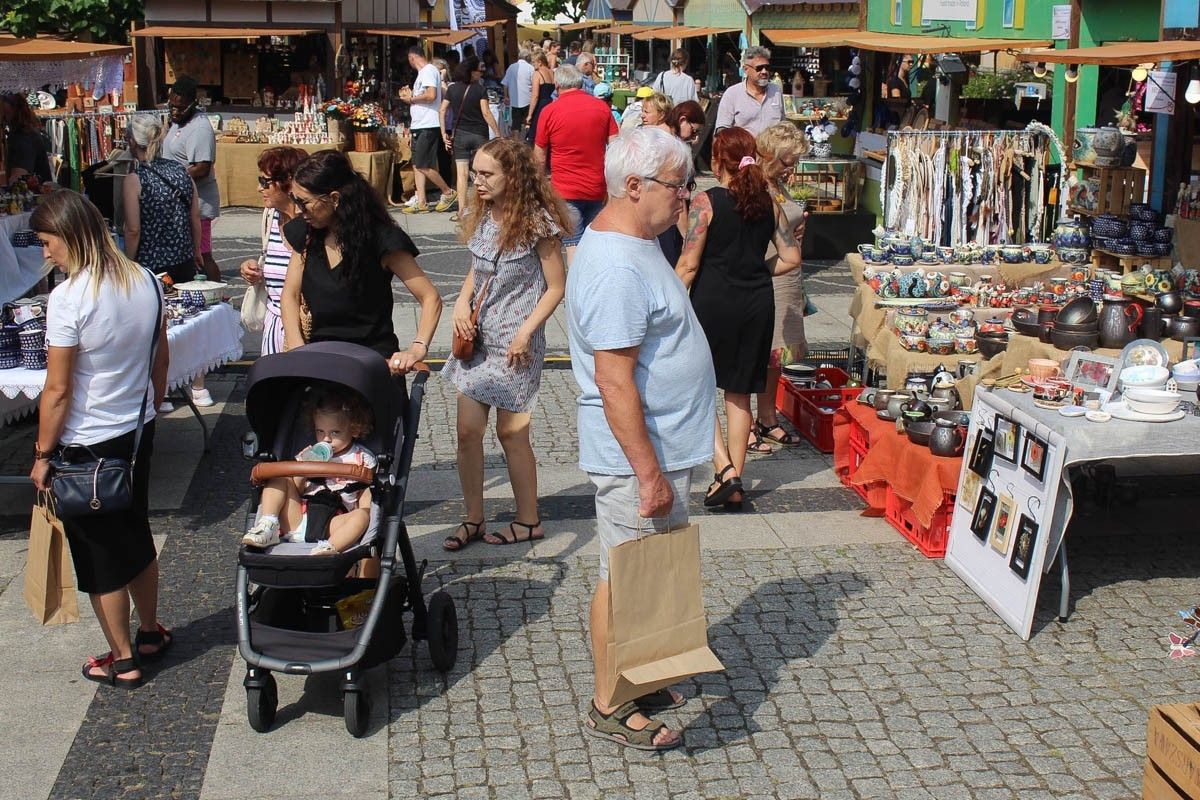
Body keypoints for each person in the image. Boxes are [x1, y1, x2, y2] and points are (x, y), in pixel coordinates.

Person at [566, 127, 715, 751]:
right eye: (678, 186)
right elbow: (614, 381)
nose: (685, 197)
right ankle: (609, 701)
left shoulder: (640, 241)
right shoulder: (616, 266)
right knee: (623, 576)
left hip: (664, 444)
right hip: (638, 458)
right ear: (634, 186)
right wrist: (648, 474)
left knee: (649, 573)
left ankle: (641, 673)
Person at [30, 190, 171, 689]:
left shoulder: (69, 297)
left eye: (47, 242)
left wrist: (43, 454)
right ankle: (149, 631)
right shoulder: (146, 279)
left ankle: (123, 659)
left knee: (99, 556)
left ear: (69, 236)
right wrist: (150, 405)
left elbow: (58, 390)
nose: (45, 253)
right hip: (136, 430)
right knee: (135, 531)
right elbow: (160, 357)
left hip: (86, 442)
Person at [441, 139, 570, 550]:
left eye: (486, 174)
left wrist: (526, 331)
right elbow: (478, 269)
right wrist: (460, 303)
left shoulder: (538, 224)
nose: (477, 181)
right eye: (475, 173)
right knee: (467, 431)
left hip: (516, 344)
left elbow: (556, 287)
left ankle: (528, 520)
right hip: (478, 339)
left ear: (512, 176)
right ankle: (473, 518)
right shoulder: (481, 214)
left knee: (512, 434)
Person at [674, 127, 802, 510]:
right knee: (740, 392)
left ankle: (724, 469)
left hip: (713, 302)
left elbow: (689, 264)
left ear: (718, 162)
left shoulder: (706, 201)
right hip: (756, 303)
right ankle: (734, 482)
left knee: (699, 387)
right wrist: (759, 269)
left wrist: (670, 302)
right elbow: (792, 257)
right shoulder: (769, 202)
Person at [281, 151, 442, 372]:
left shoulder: (381, 238)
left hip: (372, 362)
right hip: (320, 359)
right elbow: (290, 294)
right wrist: (296, 346)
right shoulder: (307, 233)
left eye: (304, 202)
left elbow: (430, 297)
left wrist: (417, 348)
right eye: (295, 200)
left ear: (334, 199)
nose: (299, 209)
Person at [242, 387, 377, 554]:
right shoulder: (309, 453)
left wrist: (365, 516)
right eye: (320, 431)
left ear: (354, 430)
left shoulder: (362, 458)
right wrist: (305, 467)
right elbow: (297, 489)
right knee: (279, 477)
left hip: (334, 523)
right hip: (298, 516)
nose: (326, 439)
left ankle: (330, 547)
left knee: (362, 515)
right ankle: (268, 524)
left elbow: (365, 498)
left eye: (335, 432)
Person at [747, 123, 812, 453]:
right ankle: (744, 423)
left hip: (786, 277)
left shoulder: (778, 184)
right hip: (764, 274)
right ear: (769, 154)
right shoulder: (754, 183)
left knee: (776, 354)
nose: (792, 168)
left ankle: (767, 417)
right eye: (787, 161)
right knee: (753, 353)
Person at [534, 65, 619, 265]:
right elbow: (616, 147)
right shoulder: (601, 108)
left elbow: (539, 155)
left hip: (565, 188)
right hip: (597, 186)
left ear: (557, 84)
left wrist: (538, 185)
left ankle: (576, 283)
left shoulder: (549, 111)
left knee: (573, 243)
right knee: (596, 241)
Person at [237, 146, 308, 356]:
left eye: (264, 182)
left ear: (288, 182)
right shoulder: (270, 217)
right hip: (273, 325)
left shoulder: (312, 222)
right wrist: (253, 270)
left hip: (306, 327)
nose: (259, 188)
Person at [121, 115, 202, 285]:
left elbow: (133, 230)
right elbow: (195, 217)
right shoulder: (181, 170)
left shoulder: (135, 179)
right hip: (184, 260)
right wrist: (197, 251)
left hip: (151, 266)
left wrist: (127, 264)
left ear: (133, 142)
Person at [160, 76, 221, 282]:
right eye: (172, 106)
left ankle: (216, 291)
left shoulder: (200, 127)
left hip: (198, 203)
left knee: (202, 254)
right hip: (181, 201)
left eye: (181, 108)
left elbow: (202, 168)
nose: (175, 112)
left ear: (193, 104)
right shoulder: (179, 123)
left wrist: (172, 179)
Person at [440, 57, 502, 223]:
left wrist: (443, 133)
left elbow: (442, 110)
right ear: (472, 71)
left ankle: (462, 211)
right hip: (479, 134)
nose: (481, 73)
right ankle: (484, 210)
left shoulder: (452, 89)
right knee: (482, 172)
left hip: (460, 134)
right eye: (478, 70)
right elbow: (486, 113)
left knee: (461, 174)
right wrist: (498, 133)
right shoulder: (480, 89)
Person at [400, 46, 457, 214]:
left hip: (428, 124)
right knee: (417, 164)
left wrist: (411, 99)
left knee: (423, 164)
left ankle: (447, 192)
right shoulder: (423, 73)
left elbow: (431, 95)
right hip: (419, 124)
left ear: (412, 58)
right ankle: (422, 201)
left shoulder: (428, 71)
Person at [714, 46, 784, 137]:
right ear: (746, 69)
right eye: (759, 68)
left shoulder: (776, 91)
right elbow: (722, 130)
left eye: (767, 67)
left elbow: (783, 124)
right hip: (743, 146)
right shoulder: (732, 94)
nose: (764, 71)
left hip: (772, 146)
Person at [0, 93, 52, 184]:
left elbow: (18, 177)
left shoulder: (22, 137)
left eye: (5, 113)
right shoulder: (27, 132)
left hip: (33, 191)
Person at [502, 47, 535, 140]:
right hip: (528, 100)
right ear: (528, 57)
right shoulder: (531, 68)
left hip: (514, 100)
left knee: (516, 124)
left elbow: (505, 83)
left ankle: (516, 142)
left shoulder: (511, 67)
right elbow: (534, 85)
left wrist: (506, 96)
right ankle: (527, 140)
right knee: (528, 121)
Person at [524, 51, 556, 146]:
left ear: (540, 62)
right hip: (551, 103)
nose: (533, 64)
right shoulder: (552, 72)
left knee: (535, 134)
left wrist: (530, 114)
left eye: (534, 62)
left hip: (541, 105)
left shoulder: (537, 74)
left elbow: (535, 96)